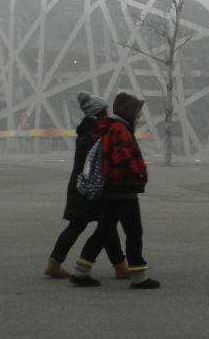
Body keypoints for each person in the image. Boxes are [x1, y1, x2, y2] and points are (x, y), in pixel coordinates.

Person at [70, 91, 160, 289]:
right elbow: (123, 158)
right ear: (128, 111)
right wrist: (139, 176)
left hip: (112, 188)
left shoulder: (111, 127)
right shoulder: (119, 129)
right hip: (123, 188)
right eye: (136, 112)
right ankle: (138, 276)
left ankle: (80, 272)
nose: (138, 116)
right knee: (134, 231)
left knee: (104, 230)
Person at [43, 92, 129, 280]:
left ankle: (54, 263)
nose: (108, 113)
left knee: (80, 226)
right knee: (105, 226)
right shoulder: (95, 134)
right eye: (106, 110)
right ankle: (120, 266)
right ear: (100, 113)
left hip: (80, 187)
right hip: (91, 189)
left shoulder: (87, 131)